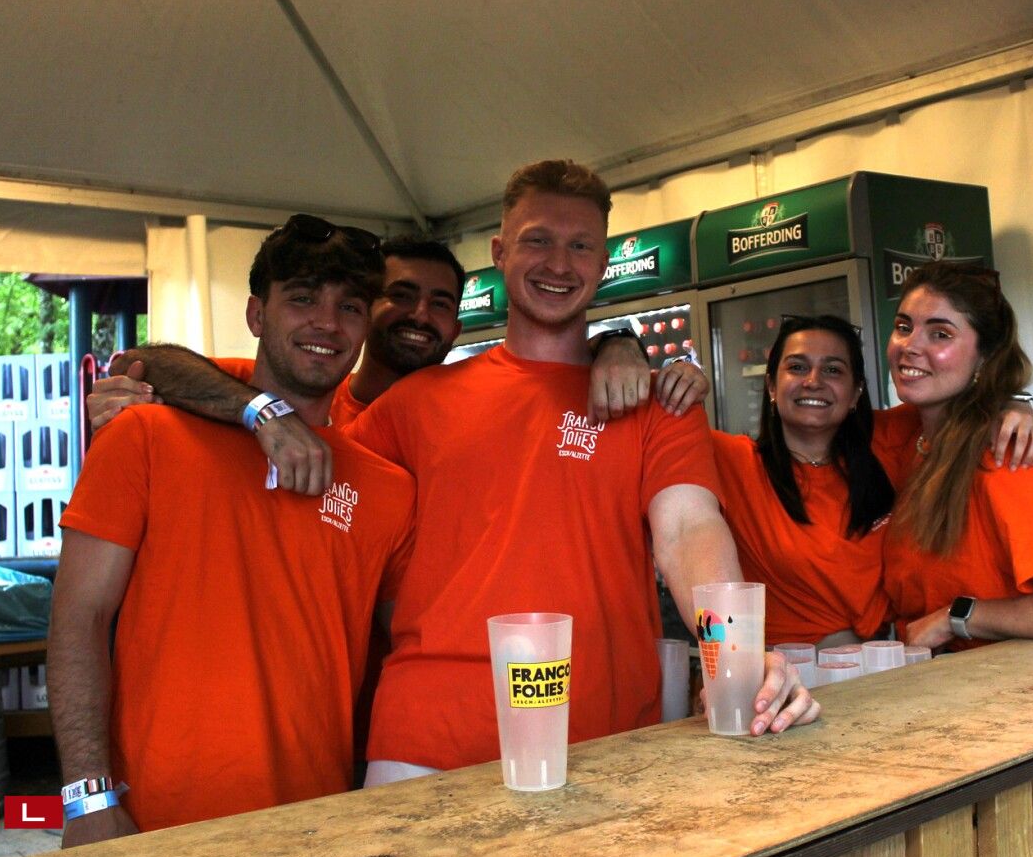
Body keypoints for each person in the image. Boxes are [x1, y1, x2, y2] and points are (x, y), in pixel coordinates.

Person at [347, 159, 817, 786]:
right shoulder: (410, 405)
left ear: (603, 263)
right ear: (500, 252)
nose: (558, 264)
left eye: (580, 246)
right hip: (426, 737)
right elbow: (336, 527)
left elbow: (687, 533)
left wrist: (737, 657)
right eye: (538, 240)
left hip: (603, 737)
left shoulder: (660, 403)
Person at [48, 217, 415, 846]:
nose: (327, 323)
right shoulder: (143, 435)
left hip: (316, 821)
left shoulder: (387, 488)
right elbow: (78, 618)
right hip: (154, 823)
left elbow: (410, 650)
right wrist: (87, 798)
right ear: (256, 314)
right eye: (302, 298)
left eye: (349, 307)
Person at [86, 235, 704, 494]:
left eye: (440, 304)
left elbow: (540, 377)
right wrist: (263, 413)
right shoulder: (296, 393)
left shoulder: (466, 406)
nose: (419, 315)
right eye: (400, 295)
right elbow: (147, 361)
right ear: (366, 308)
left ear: (456, 329)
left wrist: (616, 342)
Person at [713, 315, 1033, 648]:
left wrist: (1015, 406)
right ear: (772, 386)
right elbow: (678, 425)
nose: (813, 381)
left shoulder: (886, 442)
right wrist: (686, 370)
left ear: (856, 392)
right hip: (784, 672)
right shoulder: (733, 460)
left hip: (886, 664)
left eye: (833, 370)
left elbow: (962, 400)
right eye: (797, 367)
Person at [880, 261, 1033, 651]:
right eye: (904, 327)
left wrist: (955, 617)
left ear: (984, 357)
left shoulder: (1002, 458)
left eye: (940, 334)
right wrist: (1017, 402)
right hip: (934, 680)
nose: (911, 345)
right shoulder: (905, 434)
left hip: (1008, 684)